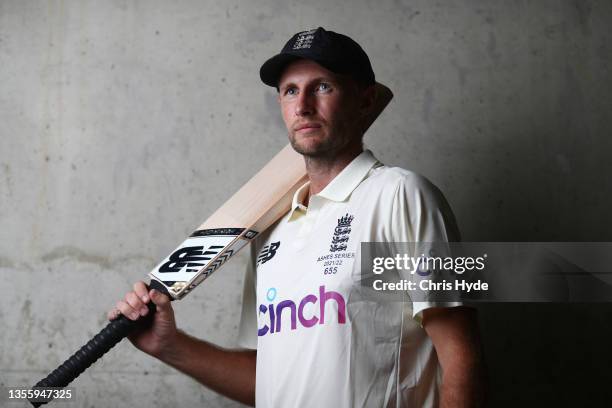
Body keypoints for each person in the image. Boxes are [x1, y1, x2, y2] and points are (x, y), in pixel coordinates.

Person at [109, 27, 485, 407]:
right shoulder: (269, 229)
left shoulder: (402, 196)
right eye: (290, 90)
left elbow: (461, 359)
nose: (303, 105)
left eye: (322, 87)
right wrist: (170, 346)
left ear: (366, 100)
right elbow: (267, 380)